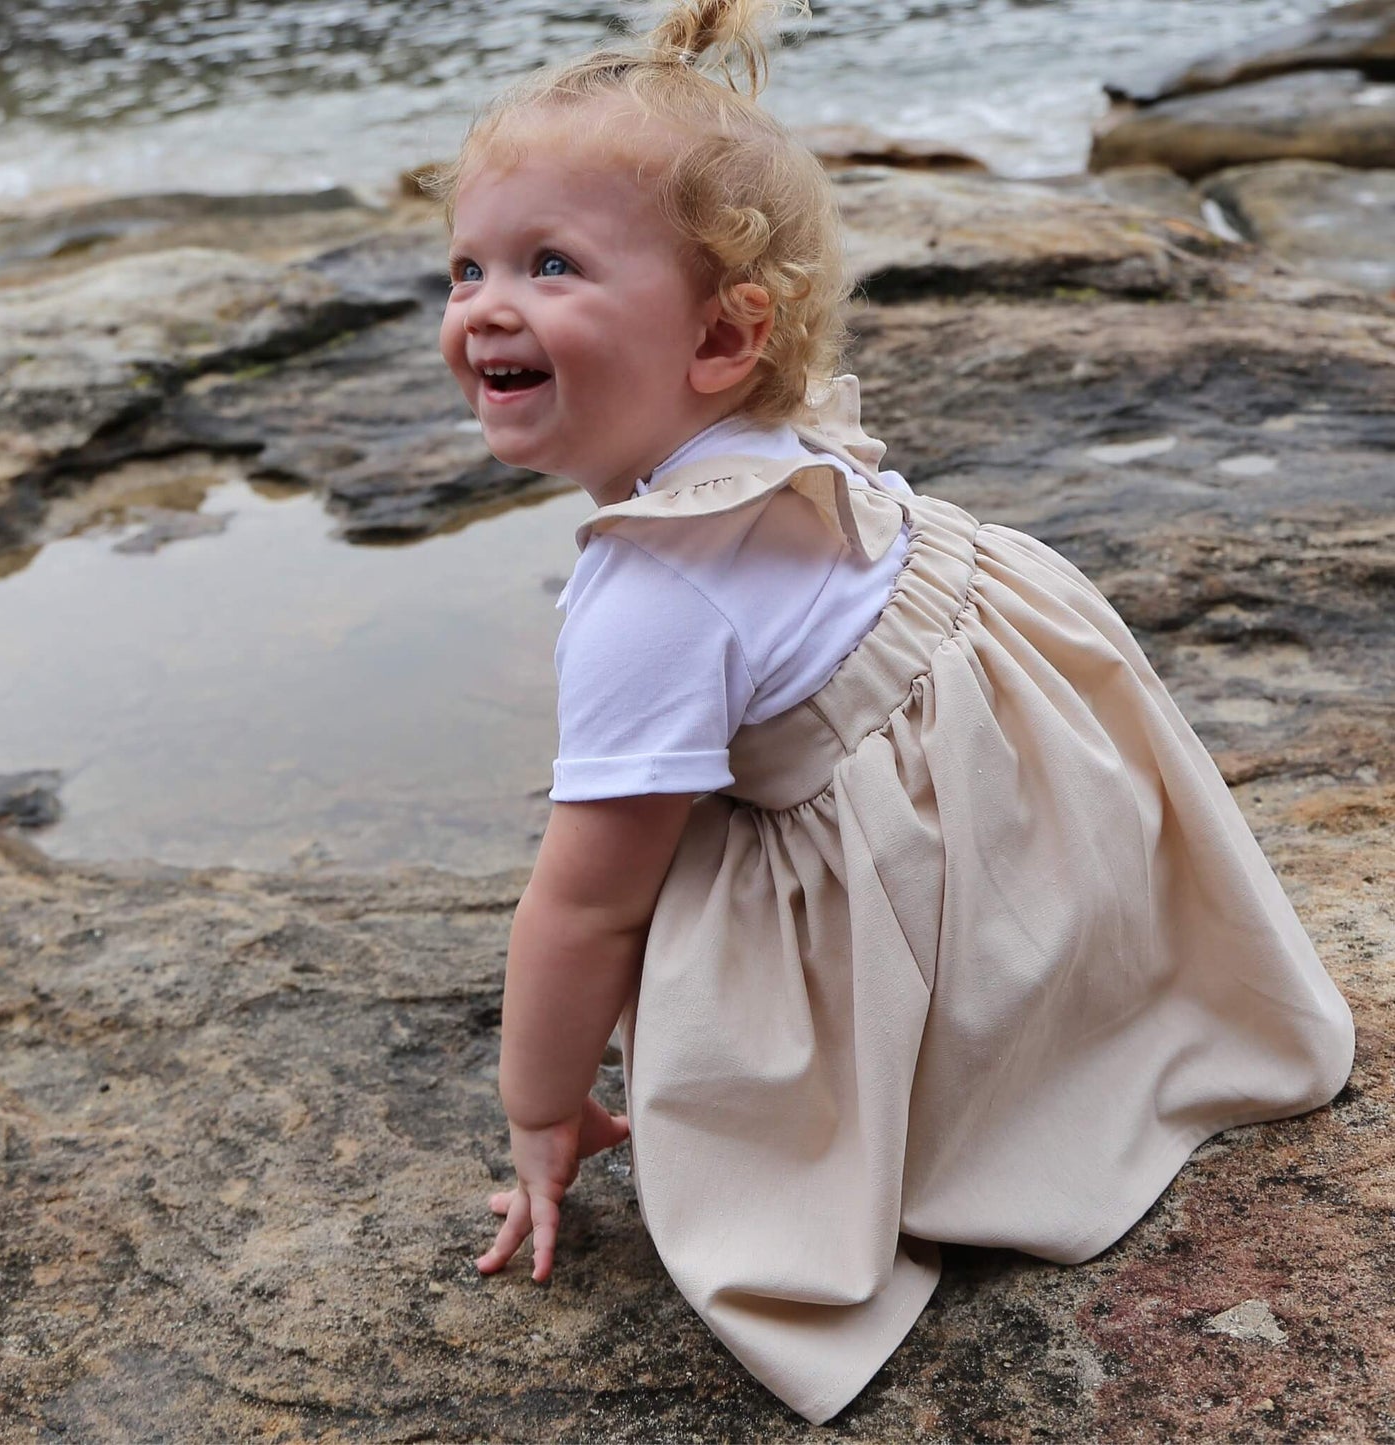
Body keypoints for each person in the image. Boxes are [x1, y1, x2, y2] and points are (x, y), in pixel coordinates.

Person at [433, 0, 1356, 1423]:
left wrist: (543, 1106)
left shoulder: (652, 591)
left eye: (550, 264)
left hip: (925, 870)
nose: (483, 306)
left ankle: (956, 1107)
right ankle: (1106, 1010)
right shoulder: (794, 449)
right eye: (467, 268)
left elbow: (586, 907)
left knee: (724, 1015)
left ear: (725, 336)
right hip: (1037, 815)